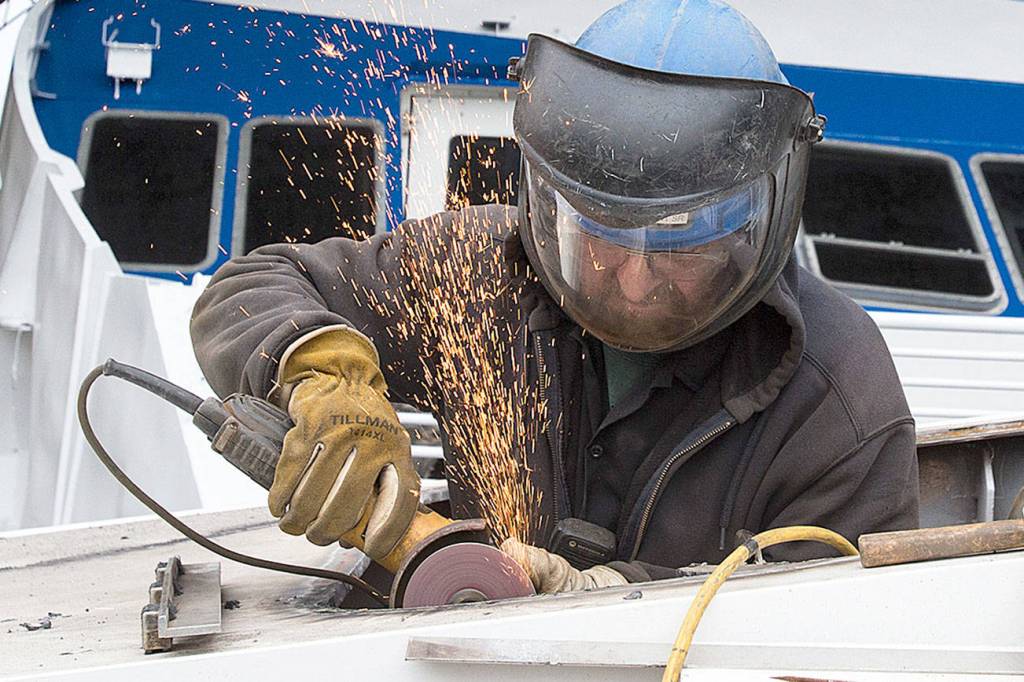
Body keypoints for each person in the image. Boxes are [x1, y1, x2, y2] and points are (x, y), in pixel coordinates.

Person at [190, 0, 919, 594]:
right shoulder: (477, 274)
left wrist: (617, 595)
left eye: (682, 247)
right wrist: (325, 373)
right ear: (548, 202)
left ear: (758, 223)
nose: (634, 281)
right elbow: (249, 289)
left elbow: (833, 627)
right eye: (598, 237)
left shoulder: (837, 393)